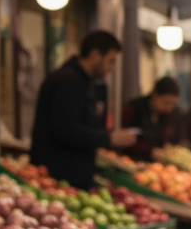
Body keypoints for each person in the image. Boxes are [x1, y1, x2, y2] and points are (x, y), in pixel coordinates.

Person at [30, 30, 137, 189]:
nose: (112, 68)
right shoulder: (69, 81)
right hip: (58, 180)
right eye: (111, 61)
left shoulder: (82, 82)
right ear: (95, 55)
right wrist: (108, 139)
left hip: (67, 179)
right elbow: (65, 129)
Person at [121, 76, 186, 160]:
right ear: (155, 95)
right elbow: (124, 140)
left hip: (158, 166)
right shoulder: (133, 109)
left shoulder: (170, 116)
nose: (169, 108)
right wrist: (150, 151)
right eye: (165, 103)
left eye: (172, 104)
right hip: (131, 161)